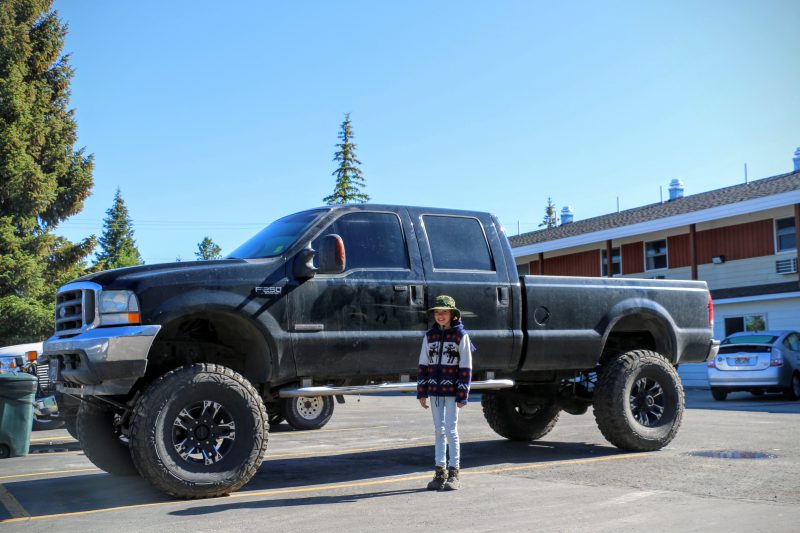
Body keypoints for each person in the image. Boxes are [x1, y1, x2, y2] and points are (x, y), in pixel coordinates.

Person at [417, 295, 474, 491]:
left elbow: (466, 367)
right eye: (437, 312)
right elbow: (423, 365)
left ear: (452, 314)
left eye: (444, 312)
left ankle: (454, 472)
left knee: (451, 430)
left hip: (452, 391)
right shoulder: (429, 336)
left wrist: (462, 394)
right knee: (438, 430)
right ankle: (439, 472)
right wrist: (422, 392)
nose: (440, 315)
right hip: (435, 391)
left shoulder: (461, 336)